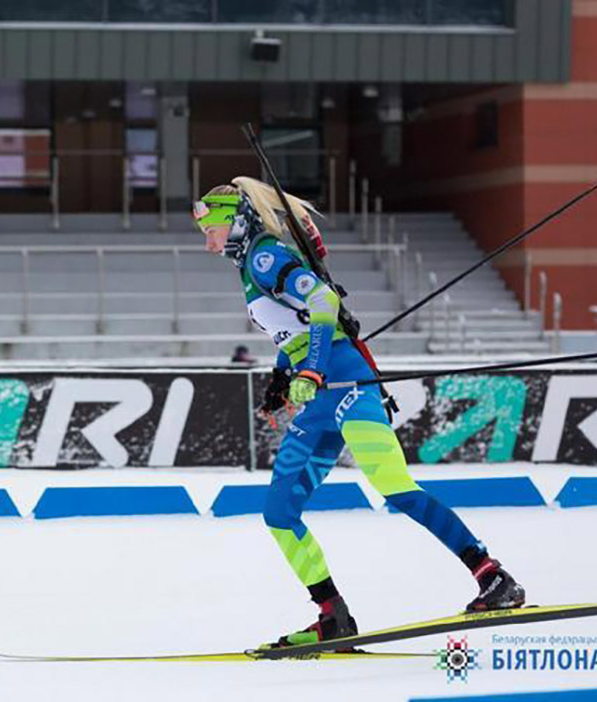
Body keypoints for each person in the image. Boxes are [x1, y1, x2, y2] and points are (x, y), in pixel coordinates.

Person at [192, 177, 525, 649]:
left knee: (395, 488)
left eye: (212, 230)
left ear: (236, 222)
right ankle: (332, 615)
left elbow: (324, 303)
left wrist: (309, 370)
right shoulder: (251, 266)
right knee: (279, 513)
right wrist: (281, 375)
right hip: (320, 401)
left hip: (347, 384)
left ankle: (491, 575)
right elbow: (297, 328)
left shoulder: (265, 256)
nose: (208, 243)